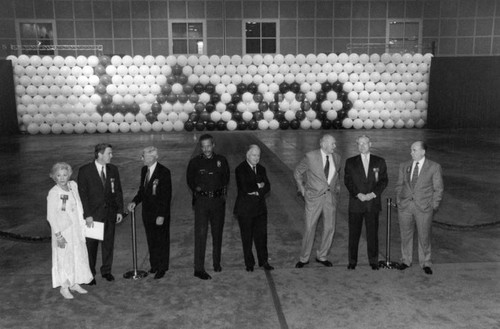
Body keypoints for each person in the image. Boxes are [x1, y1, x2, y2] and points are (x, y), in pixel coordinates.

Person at [77, 143, 124, 284]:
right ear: (99, 154)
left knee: (108, 244)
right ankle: (90, 274)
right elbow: (82, 195)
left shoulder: (113, 169)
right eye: (109, 153)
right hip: (93, 216)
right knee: (91, 247)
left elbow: (118, 191)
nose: (112, 156)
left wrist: (119, 210)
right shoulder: (85, 171)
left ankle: (106, 271)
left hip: (110, 213)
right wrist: (87, 214)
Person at [396, 141, 444, 275]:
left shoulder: (434, 167)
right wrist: (399, 201)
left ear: (423, 152)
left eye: (414, 150)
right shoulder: (404, 165)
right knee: (405, 235)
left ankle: (426, 262)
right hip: (405, 207)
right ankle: (406, 260)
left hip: (424, 208)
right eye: (411, 150)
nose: (411, 152)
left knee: (424, 236)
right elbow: (399, 185)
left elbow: (438, 189)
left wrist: (433, 205)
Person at [46, 162, 93, 299]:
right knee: (64, 257)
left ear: (69, 175)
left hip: (76, 228)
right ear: (54, 176)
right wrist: (58, 235)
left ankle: (74, 282)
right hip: (63, 231)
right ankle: (64, 286)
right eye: (59, 175)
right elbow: (51, 216)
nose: (62, 178)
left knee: (77, 255)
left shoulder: (73, 186)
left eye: (65, 175)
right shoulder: (54, 193)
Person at [294, 134, 341, 268]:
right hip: (313, 198)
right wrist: (302, 189)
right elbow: (297, 172)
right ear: (323, 144)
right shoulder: (310, 156)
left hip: (330, 198)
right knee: (309, 228)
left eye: (335, 144)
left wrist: (337, 188)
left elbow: (337, 175)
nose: (335, 146)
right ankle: (304, 258)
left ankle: (322, 255)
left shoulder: (337, 158)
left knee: (329, 228)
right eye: (332, 144)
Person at [186, 134, 230, 280]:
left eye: (208, 146)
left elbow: (226, 178)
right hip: (202, 203)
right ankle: (198, 269)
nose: (206, 149)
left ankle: (217, 263)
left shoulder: (221, 161)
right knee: (200, 235)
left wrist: (221, 195)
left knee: (217, 233)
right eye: (203, 146)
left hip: (218, 201)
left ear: (213, 145)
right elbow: (190, 180)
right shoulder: (195, 162)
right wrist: (198, 192)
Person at [344, 135, 388, 270]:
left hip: (372, 203)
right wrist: (358, 194)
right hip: (356, 203)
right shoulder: (350, 162)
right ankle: (352, 261)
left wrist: (372, 194)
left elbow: (383, 180)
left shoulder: (379, 161)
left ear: (370, 144)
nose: (362, 146)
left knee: (372, 234)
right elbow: (348, 181)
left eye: (365, 143)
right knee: (353, 234)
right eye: (359, 144)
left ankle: (374, 261)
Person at [128, 146, 172, 280]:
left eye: (144, 156)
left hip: (159, 214)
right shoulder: (144, 171)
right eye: (143, 156)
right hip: (147, 213)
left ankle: (162, 267)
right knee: (151, 239)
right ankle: (154, 264)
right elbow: (142, 190)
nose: (142, 158)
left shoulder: (164, 172)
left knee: (161, 240)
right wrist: (135, 201)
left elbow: (166, 196)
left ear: (153, 157)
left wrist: (162, 215)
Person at [234, 145, 274, 272]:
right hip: (245, 209)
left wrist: (258, 189)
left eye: (258, 155)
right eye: (253, 155)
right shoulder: (240, 169)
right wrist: (259, 185)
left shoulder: (262, 168)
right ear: (247, 155)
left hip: (260, 209)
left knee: (262, 236)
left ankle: (264, 261)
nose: (256, 158)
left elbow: (267, 186)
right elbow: (245, 187)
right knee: (247, 237)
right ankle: (249, 263)